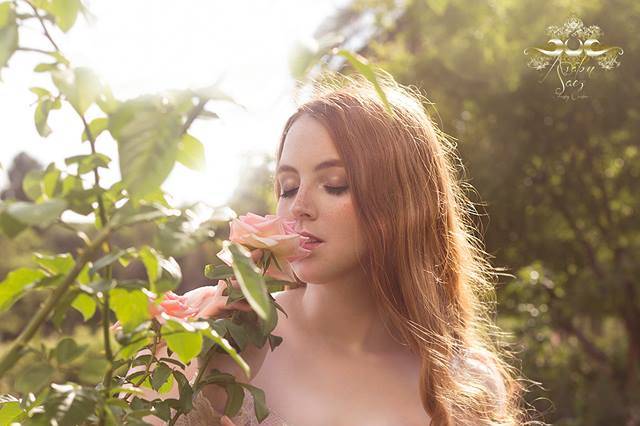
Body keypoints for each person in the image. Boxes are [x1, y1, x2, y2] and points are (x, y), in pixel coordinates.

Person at [140, 73, 531, 425]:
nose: (299, 206)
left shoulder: (464, 383)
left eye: (335, 184)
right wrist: (208, 393)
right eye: (288, 187)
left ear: (401, 202)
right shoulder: (201, 329)